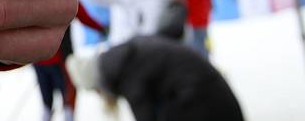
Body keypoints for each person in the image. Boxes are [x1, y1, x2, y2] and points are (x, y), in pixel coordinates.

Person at [68, 35, 244, 121]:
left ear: (100, 83)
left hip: (206, 105)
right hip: (210, 96)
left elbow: (145, 115)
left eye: (97, 91)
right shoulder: (123, 57)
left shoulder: (126, 70)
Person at [32, 3, 104, 121]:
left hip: (38, 59)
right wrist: (101, 28)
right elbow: (83, 16)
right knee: (68, 101)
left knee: (46, 105)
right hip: (60, 61)